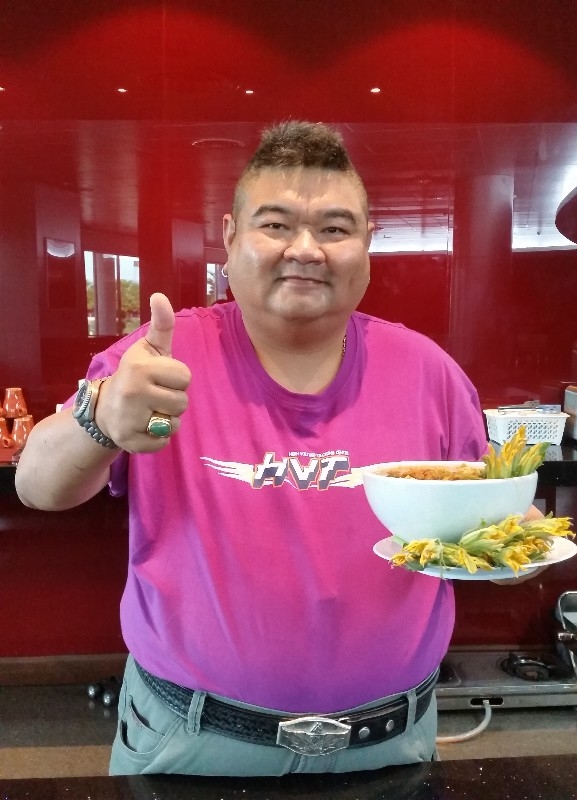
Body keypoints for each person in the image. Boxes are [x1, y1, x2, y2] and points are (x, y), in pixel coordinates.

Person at [16, 121, 535, 777]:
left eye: (336, 228)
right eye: (276, 224)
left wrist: (519, 542)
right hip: (189, 744)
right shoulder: (156, 362)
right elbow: (36, 484)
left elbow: (489, 518)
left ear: (367, 245)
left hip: (391, 745)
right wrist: (98, 419)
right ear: (231, 237)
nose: (307, 249)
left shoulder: (428, 373)